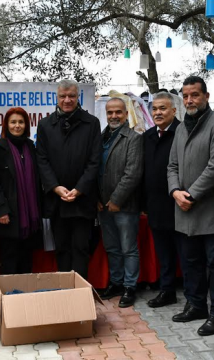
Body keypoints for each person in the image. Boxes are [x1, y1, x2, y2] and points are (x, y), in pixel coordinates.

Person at [167, 76, 214, 336]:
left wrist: (190, 195)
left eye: (194, 94)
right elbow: (171, 165)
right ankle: (196, 306)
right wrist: (174, 191)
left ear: (206, 95)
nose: (189, 99)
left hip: (209, 210)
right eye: (185, 95)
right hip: (183, 209)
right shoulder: (182, 127)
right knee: (190, 262)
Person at [36, 79, 102, 279]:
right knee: (62, 248)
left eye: (71, 96)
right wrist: (55, 187)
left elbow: (95, 160)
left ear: (78, 97)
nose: (67, 100)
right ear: (56, 97)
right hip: (57, 200)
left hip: (82, 200)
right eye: (63, 96)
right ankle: (65, 292)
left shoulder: (91, 123)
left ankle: (80, 293)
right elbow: (42, 160)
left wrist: (80, 188)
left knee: (81, 248)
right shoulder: (45, 125)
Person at [97, 98, 143, 307]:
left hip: (124, 205)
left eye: (118, 112)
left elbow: (132, 173)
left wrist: (116, 200)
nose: (114, 116)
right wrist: (98, 199)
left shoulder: (133, 138)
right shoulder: (101, 138)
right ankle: (116, 283)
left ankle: (129, 286)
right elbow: (94, 170)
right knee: (112, 248)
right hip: (103, 206)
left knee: (128, 248)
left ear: (126, 114)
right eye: (110, 112)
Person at [0, 107, 42, 274]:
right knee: (9, 259)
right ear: (6, 125)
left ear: (26, 125)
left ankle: (24, 298)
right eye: (13, 122)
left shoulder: (31, 147)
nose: (17, 126)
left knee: (27, 259)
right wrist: (1, 210)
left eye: (21, 122)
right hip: (8, 214)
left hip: (30, 217)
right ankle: (9, 298)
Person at [142, 92, 181, 308]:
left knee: (187, 255)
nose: (158, 112)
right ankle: (167, 292)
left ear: (174, 111)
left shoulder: (183, 133)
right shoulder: (147, 137)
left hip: (180, 205)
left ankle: (196, 297)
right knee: (164, 255)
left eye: (163, 108)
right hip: (155, 206)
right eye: (155, 109)